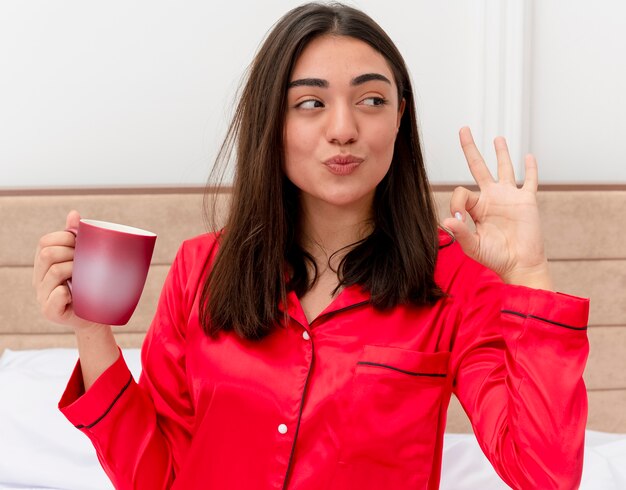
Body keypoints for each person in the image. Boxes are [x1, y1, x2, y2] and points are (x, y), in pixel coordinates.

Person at [33, 3, 589, 489]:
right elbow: (155, 476)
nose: (343, 128)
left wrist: (528, 273)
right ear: (271, 121)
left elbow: (543, 474)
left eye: (371, 99)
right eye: (310, 104)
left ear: (401, 117)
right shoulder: (200, 268)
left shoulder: (454, 279)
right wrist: (91, 328)